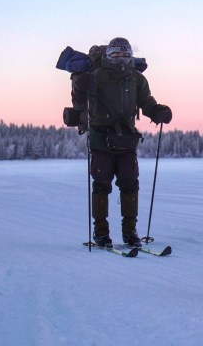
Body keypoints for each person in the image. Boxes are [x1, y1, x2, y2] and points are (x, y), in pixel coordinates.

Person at [71, 37, 172, 248]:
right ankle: (101, 233)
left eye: (124, 53)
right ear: (108, 55)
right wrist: (80, 87)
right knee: (101, 185)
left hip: (127, 140)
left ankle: (130, 232)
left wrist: (158, 111)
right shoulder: (95, 76)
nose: (120, 57)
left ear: (130, 55)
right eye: (116, 53)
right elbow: (79, 103)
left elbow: (147, 103)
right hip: (100, 139)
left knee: (129, 184)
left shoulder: (137, 79)